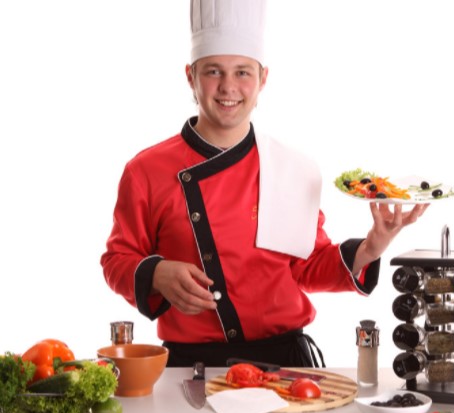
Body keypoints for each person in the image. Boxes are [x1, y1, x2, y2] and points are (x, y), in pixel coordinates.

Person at [100, 0, 428, 367]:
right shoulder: (146, 170)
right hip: (190, 368)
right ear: (190, 77)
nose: (228, 87)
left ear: (263, 79)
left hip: (285, 366)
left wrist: (369, 248)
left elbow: (307, 266)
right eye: (213, 71)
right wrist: (156, 274)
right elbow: (117, 261)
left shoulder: (290, 168)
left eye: (242, 72)